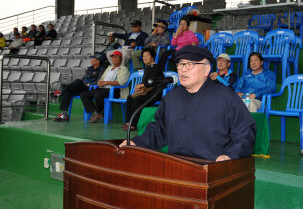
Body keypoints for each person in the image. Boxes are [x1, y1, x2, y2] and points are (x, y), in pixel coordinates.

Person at [120, 45, 256, 162]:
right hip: (177, 168)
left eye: (190, 64)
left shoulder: (226, 97)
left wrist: (230, 155)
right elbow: (160, 130)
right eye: (180, 64)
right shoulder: (172, 97)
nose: (183, 69)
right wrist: (136, 142)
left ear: (207, 69)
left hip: (212, 169)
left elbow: (245, 133)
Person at [53, 53, 106, 122]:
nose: (91, 60)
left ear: (98, 61)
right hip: (83, 87)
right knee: (68, 93)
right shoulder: (90, 68)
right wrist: (84, 82)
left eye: (93, 59)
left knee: (77, 81)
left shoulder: (102, 70)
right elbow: (84, 78)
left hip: (91, 89)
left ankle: (61, 91)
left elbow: (100, 81)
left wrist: (89, 84)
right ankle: (64, 114)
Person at [80, 51, 130, 123]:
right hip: (104, 88)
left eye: (117, 57)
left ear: (121, 59)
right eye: (113, 57)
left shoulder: (124, 69)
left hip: (116, 90)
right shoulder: (109, 68)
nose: (114, 59)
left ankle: (98, 112)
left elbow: (121, 83)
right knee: (84, 94)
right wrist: (100, 82)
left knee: (98, 95)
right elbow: (102, 78)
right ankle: (96, 112)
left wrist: (107, 82)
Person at [123, 48, 164, 131]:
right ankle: (128, 121)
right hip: (148, 92)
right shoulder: (148, 68)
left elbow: (153, 82)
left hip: (155, 93)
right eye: (143, 56)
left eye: (147, 56)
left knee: (137, 100)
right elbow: (146, 82)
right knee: (130, 98)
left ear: (152, 57)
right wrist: (140, 86)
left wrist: (143, 85)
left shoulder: (156, 67)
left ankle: (134, 124)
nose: (144, 58)